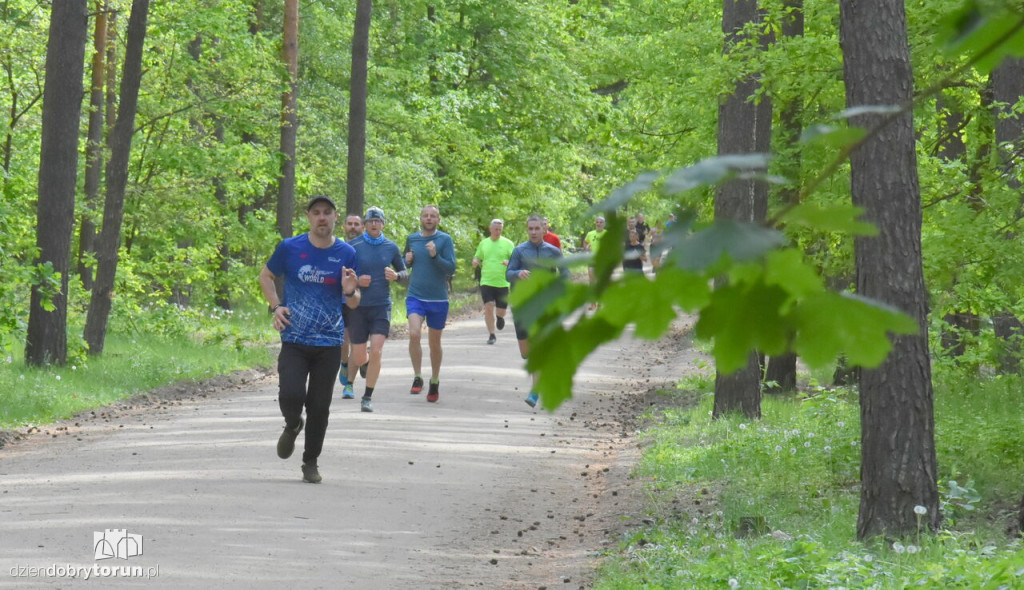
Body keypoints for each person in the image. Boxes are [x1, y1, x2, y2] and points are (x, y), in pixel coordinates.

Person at [258, 195, 360, 484]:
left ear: (335, 217)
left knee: (320, 405)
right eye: (316, 213)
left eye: (327, 213)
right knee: (290, 395)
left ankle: (310, 462)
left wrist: (351, 291)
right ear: (308, 217)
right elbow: (265, 276)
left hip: (329, 342)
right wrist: (276, 306)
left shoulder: (346, 253)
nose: (322, 218)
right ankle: (292, 424)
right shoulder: (290, 247)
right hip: (294, 337)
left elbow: (353, 302)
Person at [342, 207, 407, 412]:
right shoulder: (353, 246)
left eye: (377, 221)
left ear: (383, 225)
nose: (373, 224)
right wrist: (357, 281)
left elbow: (405, 272)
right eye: (370, 221)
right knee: (360, 355)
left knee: (377, 350)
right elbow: (342, 274)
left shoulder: (391, 247)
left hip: (381, 305)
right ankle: (364, 362)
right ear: (364, 225)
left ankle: (367, 397)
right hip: (358, 307)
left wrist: (397, 276)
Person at [507, 214, 569, 408]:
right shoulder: (519, 250)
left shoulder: (554, 251)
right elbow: (508, 273)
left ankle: (535, 392)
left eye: (537, 228)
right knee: (526, 350)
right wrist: (518, 273)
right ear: (527, 230)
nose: (533, 232)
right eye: (530, 229)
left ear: (544, 229)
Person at [404, 205, 456, 402]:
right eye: (425, 215)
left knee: (435, 343)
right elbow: (405, 262)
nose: (428, 218)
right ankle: (418, 377)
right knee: (414, 333)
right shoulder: (412, 238)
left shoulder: (444, 240)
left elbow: (450, 268)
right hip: (415, 295)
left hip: (438, 298)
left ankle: (434, 380)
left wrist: (436, 256)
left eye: (433, 216)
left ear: (438, 220)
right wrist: (407, 260)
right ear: (420, 218)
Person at [472, 219, 515, 345]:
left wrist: (509, 263)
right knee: (489, 306)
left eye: (500, 230)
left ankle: (500, 317)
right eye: (495, 229)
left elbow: (516, 261)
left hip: (502, 282)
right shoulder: (484, 243)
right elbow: (477, 256)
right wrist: (475, 261)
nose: (497, 232)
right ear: (490, 229)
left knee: (501, 310)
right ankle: (491, 334)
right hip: (486, 281)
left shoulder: (508, 243)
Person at [339, 214, 364, 393]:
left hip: (360, 300)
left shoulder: (366, 247)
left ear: (362, 228)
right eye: (350, 224)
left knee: (357, 341)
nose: (353, 227)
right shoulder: (336, 247)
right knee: (343, 340)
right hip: (339, 299)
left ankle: (349, 384)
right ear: (343, 227)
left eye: (356, 224)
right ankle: (344, 362)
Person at [583, 216, 607, 309]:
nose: (599, 224)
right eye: (597, 222)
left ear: (604, 224)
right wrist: (586, 248)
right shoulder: (590, 234)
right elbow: (585, 242)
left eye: (601, 222)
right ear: (595, 223)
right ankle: (593, 303)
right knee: (592, 281)